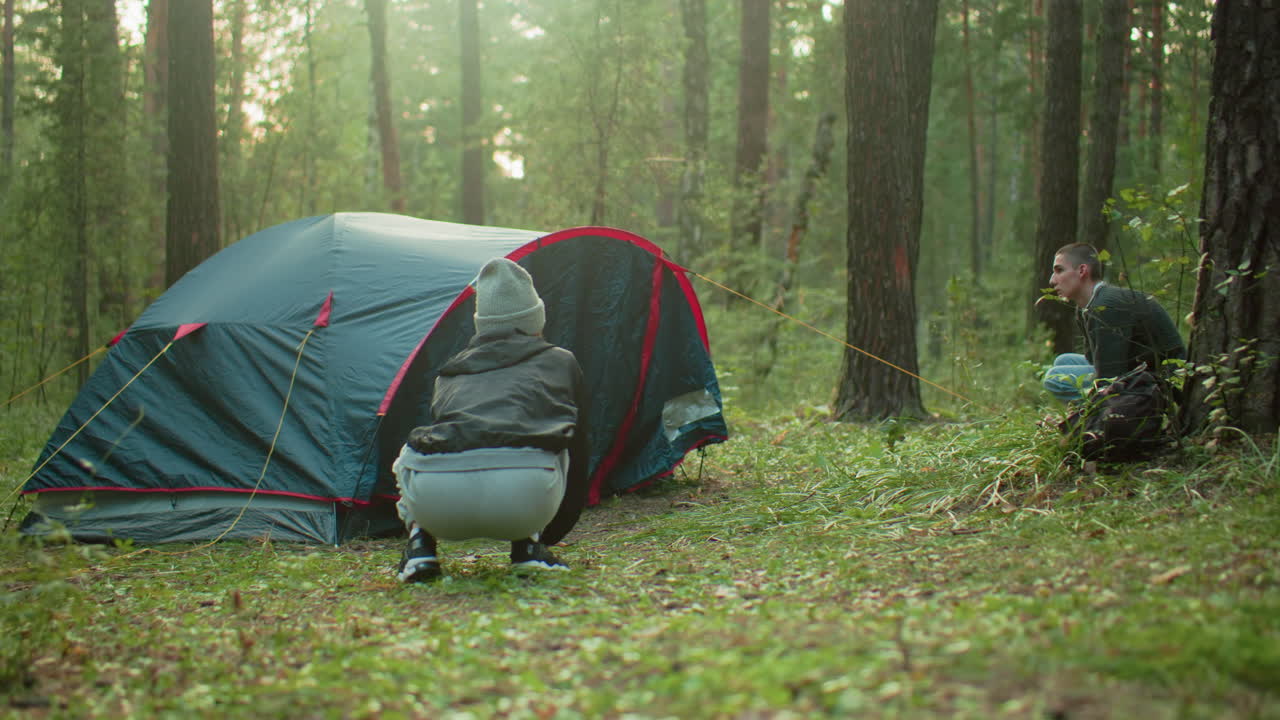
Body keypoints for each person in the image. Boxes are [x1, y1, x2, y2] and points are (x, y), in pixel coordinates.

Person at [391, 257, 589, 583]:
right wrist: (553, 526)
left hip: (438, 502)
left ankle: (420, 547)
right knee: (556, 437)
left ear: (481, 323)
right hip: (527, 498)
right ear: (535, 319)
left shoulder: (450, 371)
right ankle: (529, 547)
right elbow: (580, 451)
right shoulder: (560, 361)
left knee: (413, 451)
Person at [1042, 243, 1186, 402]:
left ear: (1082, 271)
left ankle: (1098, 420)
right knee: (1063, 360)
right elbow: (1094, 359)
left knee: (1053, 379)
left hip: (1159, 380)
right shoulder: (1087, 307)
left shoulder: (1106, 306)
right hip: (1133, 368)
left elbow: (1109, 377)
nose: (1052, 281)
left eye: (1059, 270)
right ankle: (1086, 413)